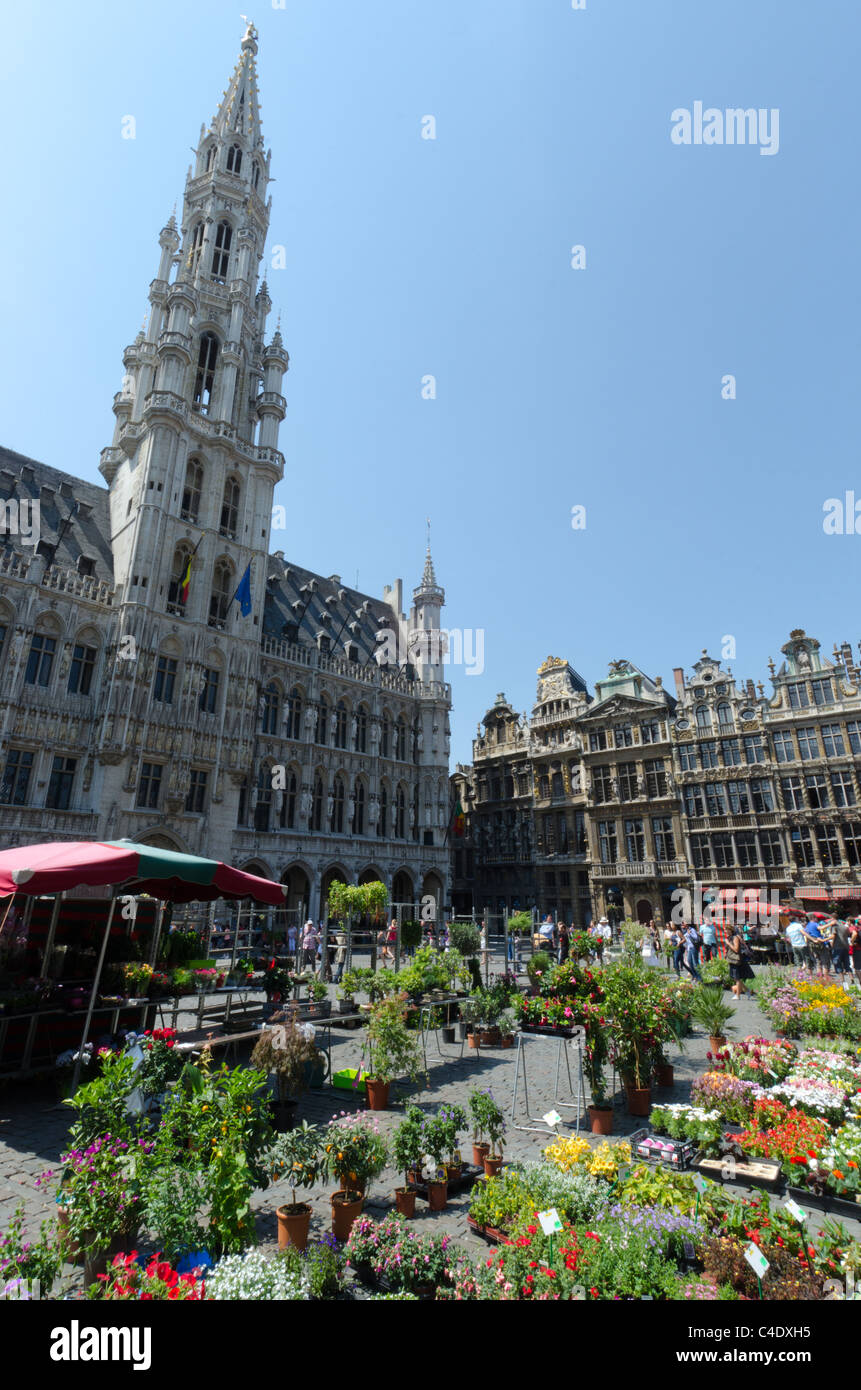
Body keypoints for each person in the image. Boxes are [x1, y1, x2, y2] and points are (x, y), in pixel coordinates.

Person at [727, 925, 753, 998]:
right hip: (733, 959)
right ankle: (747, 990)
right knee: (735, 978)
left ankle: (738, 995)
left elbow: (736, 949)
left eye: (727, 930)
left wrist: (728, 944)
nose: (726, 932)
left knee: (737, 978)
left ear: (731, 930)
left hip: (736, 959)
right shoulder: (731, 937)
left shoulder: (735, 938)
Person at [830, 916, 852, 985]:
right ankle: (851, 978)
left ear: (833, 919)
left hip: (837, 947)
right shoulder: (844, 926)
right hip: (845, 946)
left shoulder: (834, 926)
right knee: (847, 964)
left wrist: (832, 945)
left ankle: (843, 980)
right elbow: (848, 934)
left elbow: (833, 936)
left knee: (838, 964)